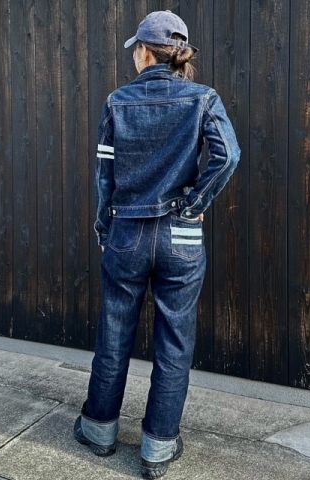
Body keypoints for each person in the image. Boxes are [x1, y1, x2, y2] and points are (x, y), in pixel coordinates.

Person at [74, 10, 240, 479]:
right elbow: (228, 156)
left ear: (144, 51)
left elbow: (104, 175)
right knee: (174, 340)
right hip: (179, 236)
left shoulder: (117, 101)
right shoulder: (203, 98)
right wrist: (193, 204)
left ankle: (99, 431)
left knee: (114, 332)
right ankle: (158, 447)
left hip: (126, 232)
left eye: (136, 49)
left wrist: (105, 230)